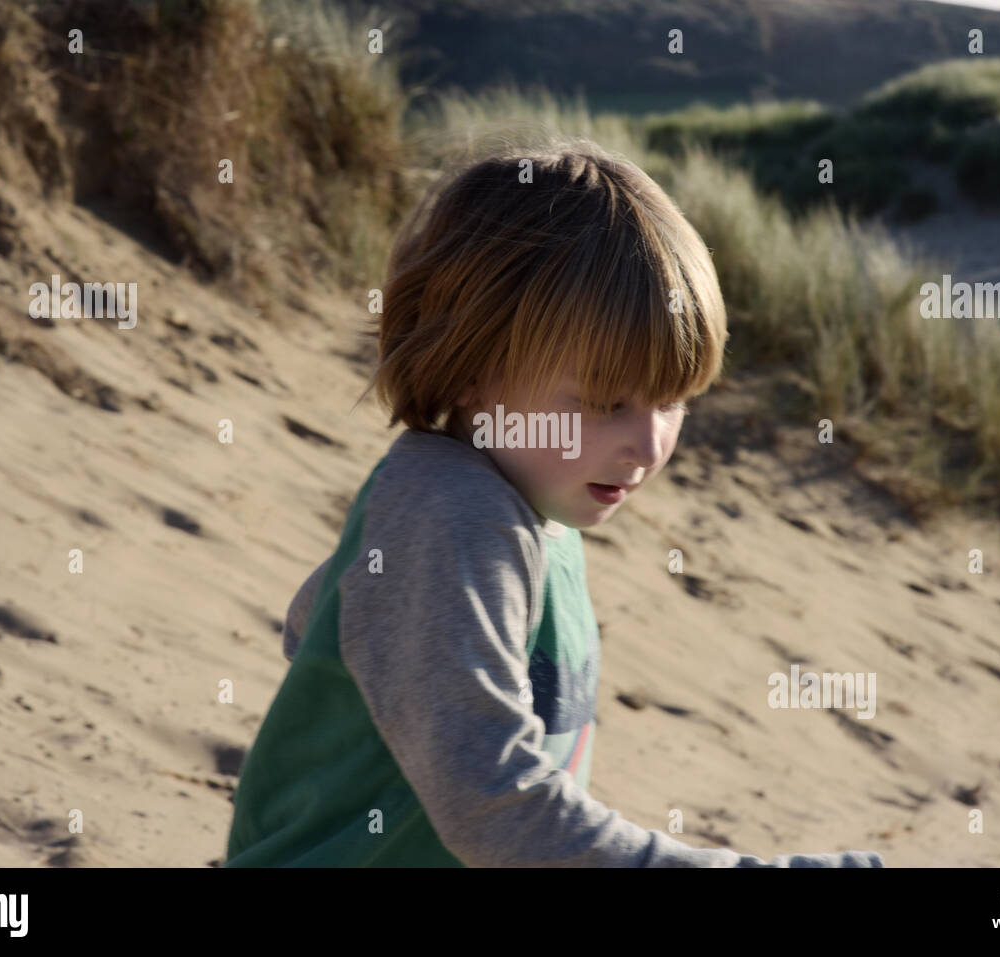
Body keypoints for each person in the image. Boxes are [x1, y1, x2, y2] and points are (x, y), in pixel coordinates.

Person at [224, 137, 885, 867]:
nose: (648, 442)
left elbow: (320, 621)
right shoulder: (452, 511)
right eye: (606, 402)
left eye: (673, 401)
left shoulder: (525, 511)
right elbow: (498, 809)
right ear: (473, 368)